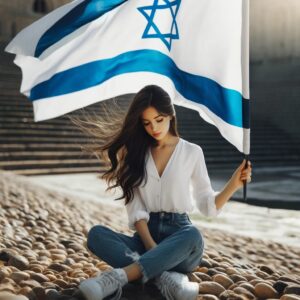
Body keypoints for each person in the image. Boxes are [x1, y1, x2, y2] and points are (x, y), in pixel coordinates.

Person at [77, 85, 252, 300]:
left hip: (181, 239)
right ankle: (164, 278)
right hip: (144, 238)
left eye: (159, 119)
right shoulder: (136, 154)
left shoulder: (192, 152)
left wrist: (233, 184)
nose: (154, 128)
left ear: (170, 114)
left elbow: (207, 206)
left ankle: (119, 277)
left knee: (193, 235)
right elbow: (135, 208)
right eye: (147, 123)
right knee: (97, 235)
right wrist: (152, 249)